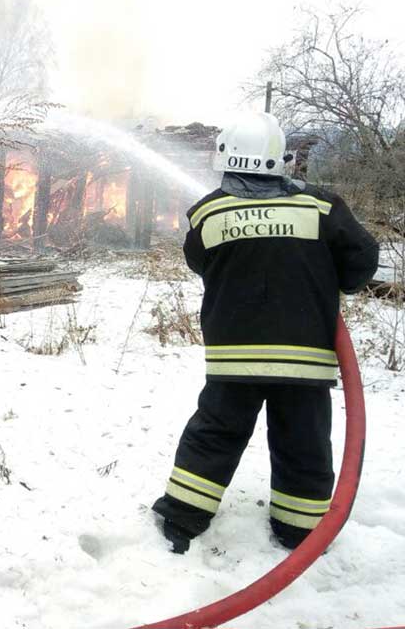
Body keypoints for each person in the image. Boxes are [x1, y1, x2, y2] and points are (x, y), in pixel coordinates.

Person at [152, 112, 380, 554]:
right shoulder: (322, 207)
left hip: (233, 359)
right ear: (283, 160)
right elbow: (361, 261)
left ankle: (180, 521)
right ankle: (300, 533)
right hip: (304, 360)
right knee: (303, 442)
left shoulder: (208, 212)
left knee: (214, 435)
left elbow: (200, 263)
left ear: (224, 156)